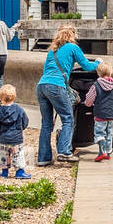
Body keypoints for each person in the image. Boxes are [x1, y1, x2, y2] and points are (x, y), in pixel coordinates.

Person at [35, 25, 98, 166]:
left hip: (41, 86)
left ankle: (43, 158)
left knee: (46, 124)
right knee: (68, 118)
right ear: (73, 35)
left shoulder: (52, 51)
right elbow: (87, 66)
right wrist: (99, 63)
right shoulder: (73, 48)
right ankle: (64, 151)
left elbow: (47, 70)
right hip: (56, 86)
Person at [84, 62, 113, 161]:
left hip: (100, 114)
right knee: (109, 132)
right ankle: (108, 152)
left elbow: (89, 99)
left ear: (99, 73)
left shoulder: (96, 85)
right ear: (111, 72)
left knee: (100, 132)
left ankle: (102, 151)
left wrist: (87, 104)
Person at [0, 84, 30, 179]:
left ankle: (4, 173)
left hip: (4, 138)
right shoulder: (19, 109)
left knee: (4, 155)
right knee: (18, 154)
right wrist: (20, 129)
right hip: (16, 138)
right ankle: (19, 172)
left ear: (0, 98)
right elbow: (25, 121)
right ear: (14, 97)